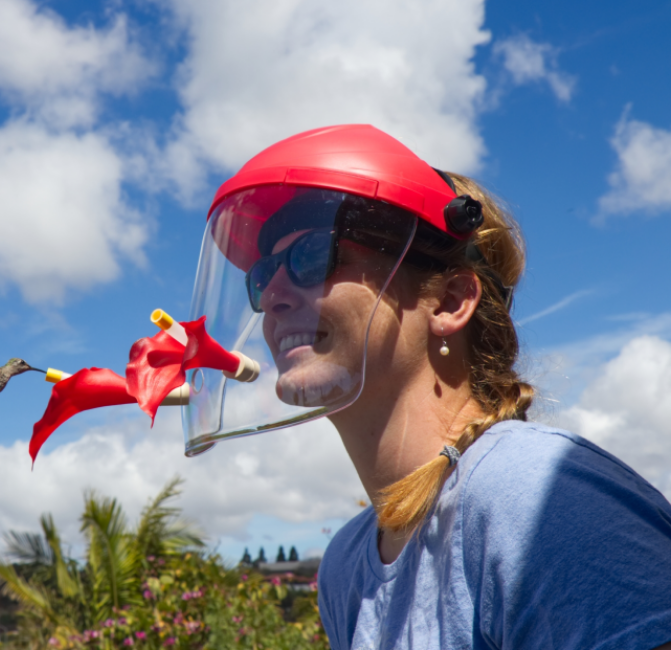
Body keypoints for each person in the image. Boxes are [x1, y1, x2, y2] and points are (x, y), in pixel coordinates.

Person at [184, 124, 671, 648]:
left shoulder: (535, 498)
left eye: (311, 257)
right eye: (261, 277)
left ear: (449, 302)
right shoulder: (347, 564)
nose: (273, 294)